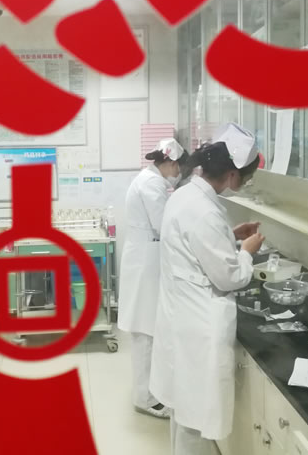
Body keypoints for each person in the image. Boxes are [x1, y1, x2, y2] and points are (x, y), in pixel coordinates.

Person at [150, 123, 264, 454]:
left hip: (180, 314)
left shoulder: (186, 195)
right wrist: (247, 252)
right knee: (194, 417)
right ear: (232, 174)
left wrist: (230, 234)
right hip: (198, 323)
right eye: (247, 177)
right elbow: (230, 277)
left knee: (182, 409)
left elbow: (196, 244)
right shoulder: (205, 212)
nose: (246, 182)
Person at [117, 138, 189, 419]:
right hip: (146, 264)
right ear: (169, 162)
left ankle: (148, 393)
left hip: (145, 260)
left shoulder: (148, 179)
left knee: (146, 330)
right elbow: (163, 225)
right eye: (178, 168)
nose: (178, 174)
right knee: (146, 333)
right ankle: (145, 399)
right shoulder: (152, 184)